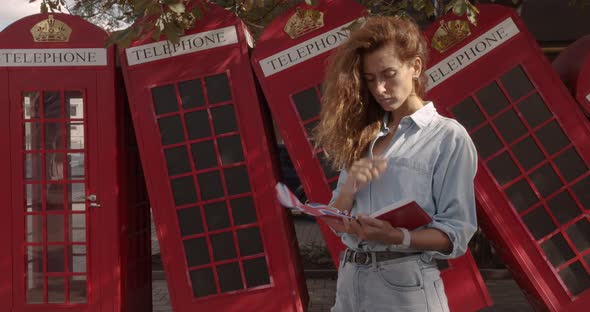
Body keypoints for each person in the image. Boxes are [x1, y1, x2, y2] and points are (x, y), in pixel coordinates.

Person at [314, 15, 478, 312]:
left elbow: (456, 233)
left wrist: (396, 236)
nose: (379, 88)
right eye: (370, 79)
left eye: (388, 74)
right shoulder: (365, 136)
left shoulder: (447, 137)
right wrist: (349, 190)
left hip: (404, 287)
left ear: (414, 67)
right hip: (350, 281)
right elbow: (337, 221)